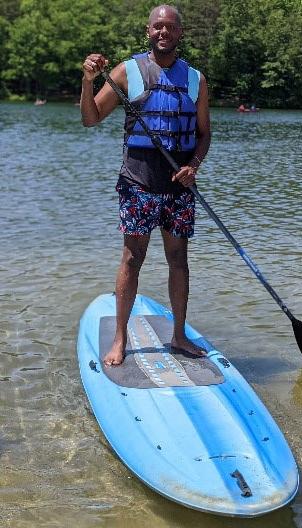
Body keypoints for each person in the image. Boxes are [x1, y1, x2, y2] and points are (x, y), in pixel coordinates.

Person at [80, 4, 211, 366]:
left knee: (178, 260)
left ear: (180, 33)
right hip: (138, 184)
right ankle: (120, 339)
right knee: (132, 258)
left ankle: (179, 335)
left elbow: (204, 134)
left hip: (179, 188)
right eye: (157, 26)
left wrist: (194, 166)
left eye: (170, 27)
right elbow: (90, 119)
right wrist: (88, 80)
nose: (163, 32)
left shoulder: (195, 79)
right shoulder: (126, 71)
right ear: (148, 31)